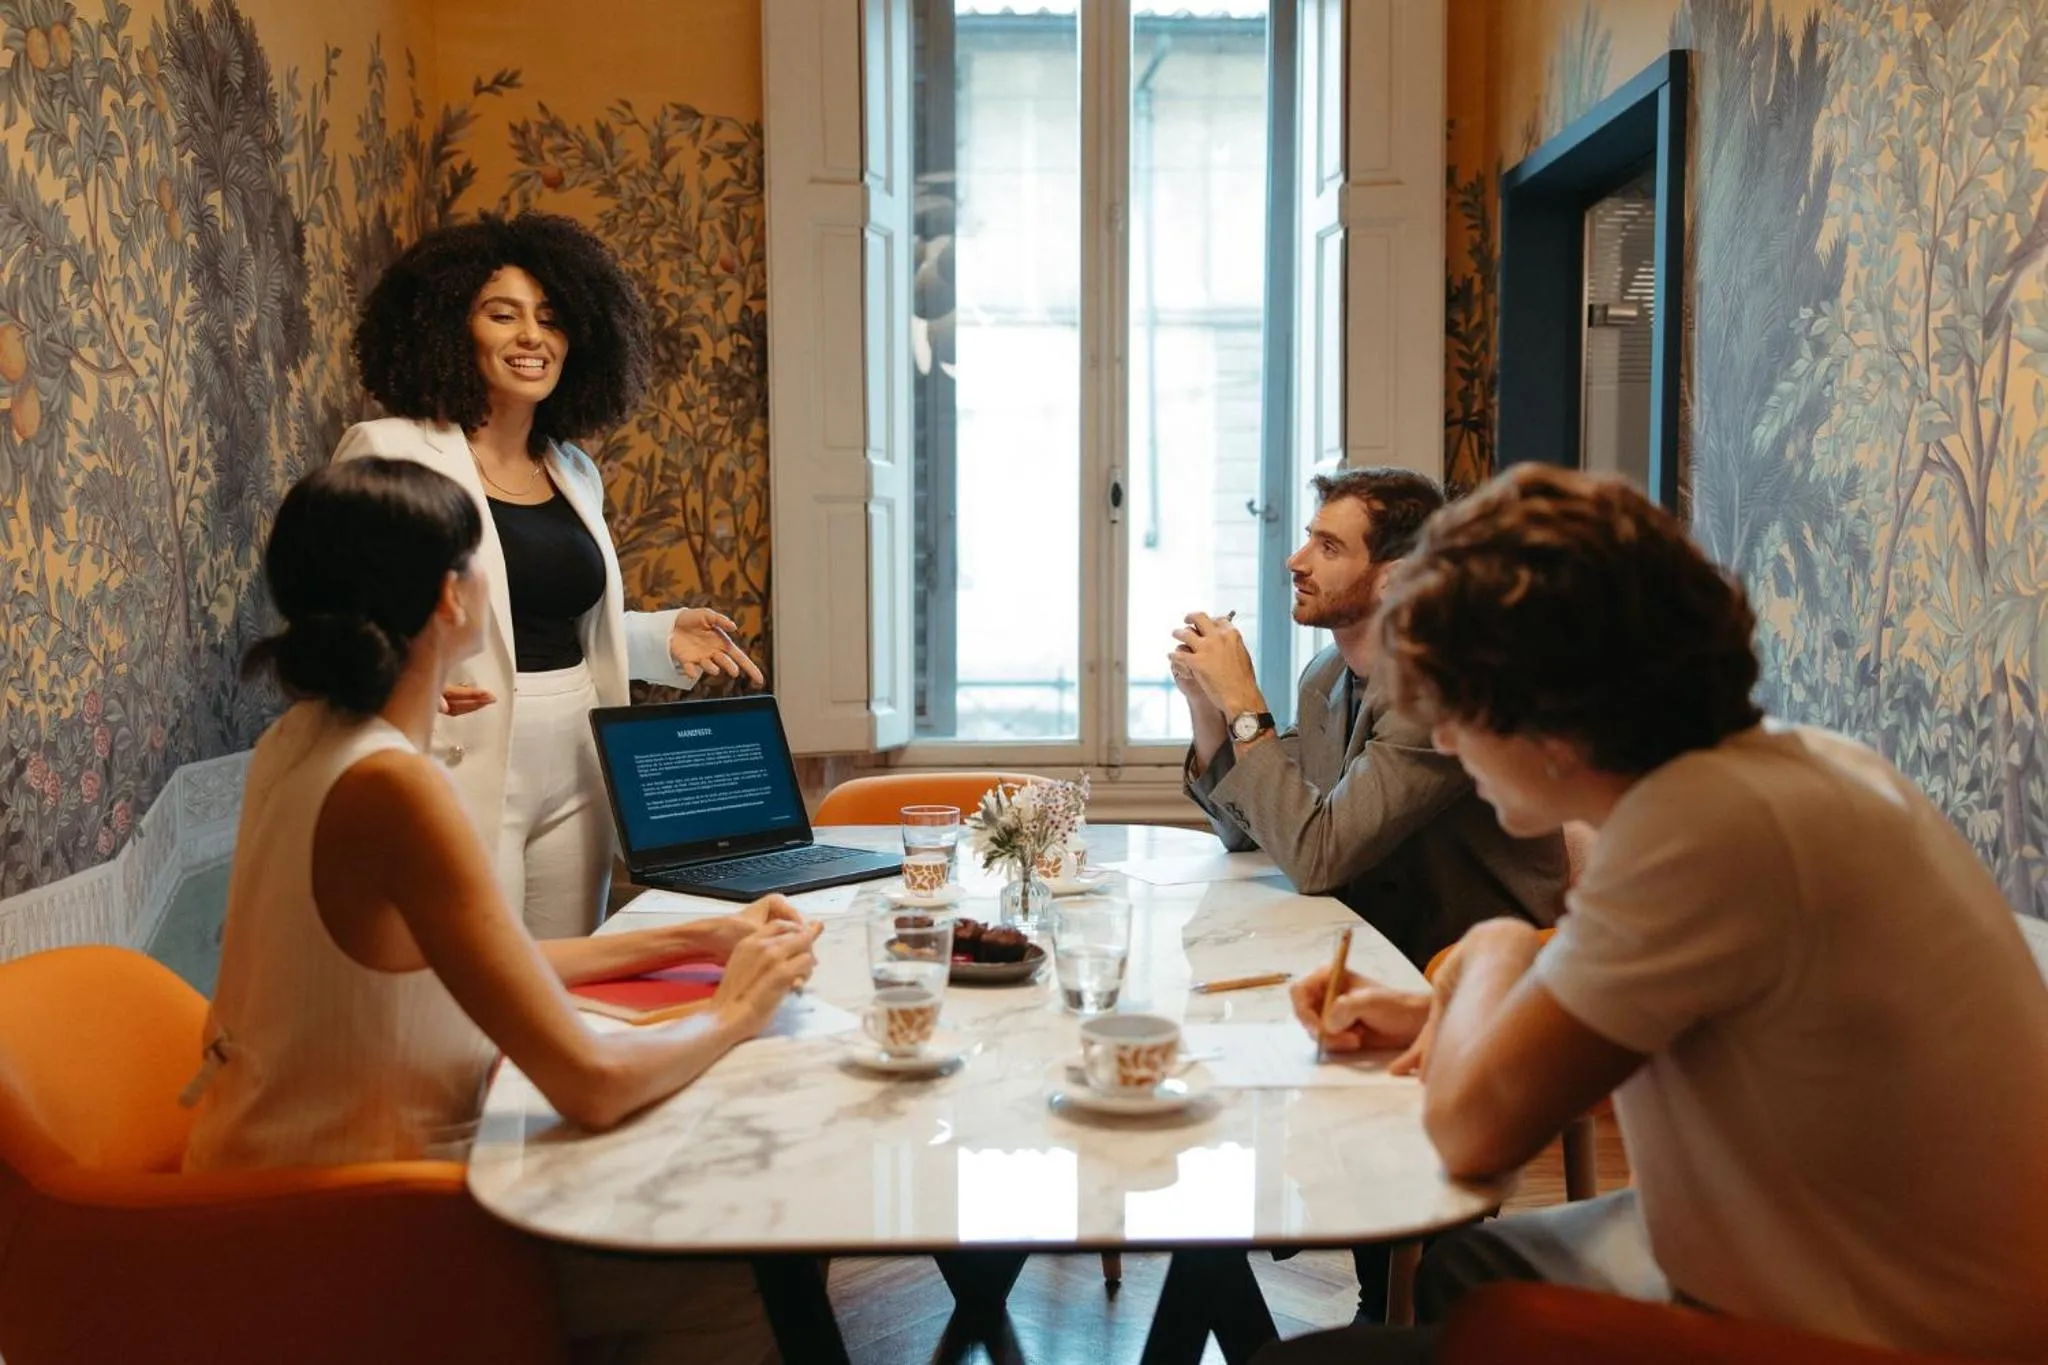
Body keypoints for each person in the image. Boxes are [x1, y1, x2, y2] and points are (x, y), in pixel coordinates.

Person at [1257, 466, 2048, 1363]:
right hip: (1893, 1273)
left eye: (1456, 704)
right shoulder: (1783, 768)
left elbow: (1472, 1132)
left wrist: (1494, 948)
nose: (1441, 738)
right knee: (1468, 1267)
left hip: (1884, 1334)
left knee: (1300, 1360)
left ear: (1545, 710)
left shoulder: (1699, 832)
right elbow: (1674, 1025)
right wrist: (1436, 1010)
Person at [185, 458, 816, 1363]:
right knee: (738, 1270)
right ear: (450, 602)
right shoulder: (393, 787)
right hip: (351, 1217)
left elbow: (472, 962)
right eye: (482, 560)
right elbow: (590, 1084)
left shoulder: (299, 739)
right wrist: (738, 1010)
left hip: (268, 1170)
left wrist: (699, 934)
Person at [335, 211, 764, 940]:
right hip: (459, 751)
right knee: (476, 985)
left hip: (576, 757)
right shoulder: (389, 451)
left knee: (566, 976)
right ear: (447, 328)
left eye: (550, 317)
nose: (532, 336)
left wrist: (664, 635)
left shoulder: (572, 470)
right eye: (502, 315)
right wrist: (396, 675)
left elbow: (542, 620)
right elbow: (337, 612)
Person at [1173, 465, 1567, 969]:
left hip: (1470, 971)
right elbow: (1248, 830)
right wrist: (1207, 706)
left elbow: (1317, 859)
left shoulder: (1438, 690)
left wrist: (1244, 701)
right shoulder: (1325, 674)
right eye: (1308, 540)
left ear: (1395, 577)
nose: (1295, 561)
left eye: (1329, 548)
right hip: (1363, 948)